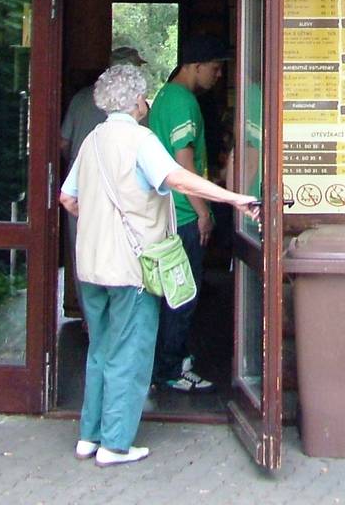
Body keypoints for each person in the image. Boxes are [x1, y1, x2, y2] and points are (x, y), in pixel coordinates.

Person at [59, 62, 258, 467]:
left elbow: (68, 198)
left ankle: (89, 435)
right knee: (131, 353)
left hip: (91, 264)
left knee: (101, 348)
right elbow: (179, 178)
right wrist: (235, 199)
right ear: (136, 101)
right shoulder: (140, 140)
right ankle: (115, 445)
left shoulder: (93, 140)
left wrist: (100, 221)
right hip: (132, 267)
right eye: (143, 96)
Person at [147, 33, 229, 393]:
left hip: (165, 212)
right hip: (183, 213)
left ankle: (168, 360)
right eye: (214, 68)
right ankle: (170, 368)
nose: (218, 75)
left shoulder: (165, 96)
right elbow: (184, 160)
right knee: (183, 294)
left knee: (169, 296)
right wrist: (203, 212)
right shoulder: (182, 102)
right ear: (195, 67)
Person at [60, 46, 148, 317]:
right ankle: (118, 321)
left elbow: (64, 143)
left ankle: (91, 319)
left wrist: (80, 162)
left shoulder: (81, 99)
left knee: (84, 252)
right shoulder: (137, 112)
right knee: (125, 255)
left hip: (82, 191)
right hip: (125, 195)